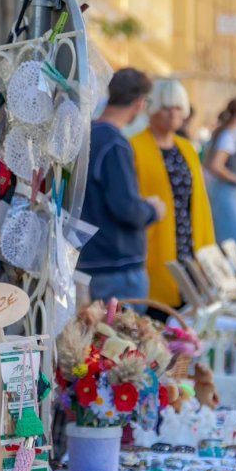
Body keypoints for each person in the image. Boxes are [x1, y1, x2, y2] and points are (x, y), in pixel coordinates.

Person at [77, 68, 165, 304]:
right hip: (117, 264)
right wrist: (152, 210)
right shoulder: (114, 143)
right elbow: (126, 208)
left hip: (89, 257)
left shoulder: (87, 135)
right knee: (124, 337)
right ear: (139, 103)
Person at [130, 79, 215, 312]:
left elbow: (201, 204)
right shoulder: (134, 147)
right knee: (158, 316)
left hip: (189, 249)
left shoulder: (187, 148)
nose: (172, 114)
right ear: (153, 109)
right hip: (154, 249)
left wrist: (208, 253)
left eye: (178, 108)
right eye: (166, 107)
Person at [204, 98, 236, 245]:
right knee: (231, 241)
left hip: (226, 192)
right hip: (227, 193)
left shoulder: (228, 133)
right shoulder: (229, 135)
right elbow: (215, 165)